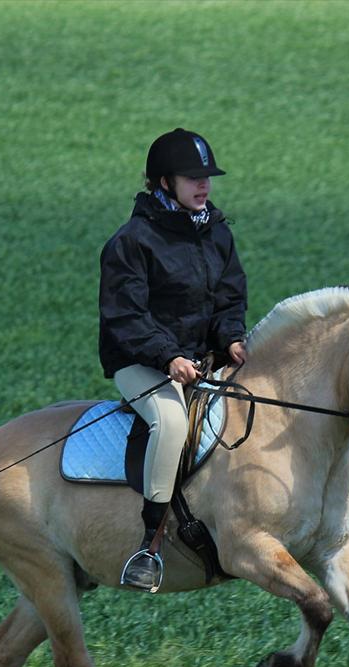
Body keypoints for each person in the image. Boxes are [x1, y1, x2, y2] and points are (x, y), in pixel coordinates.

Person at [98, 128, 248, 591]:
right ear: (164, 183)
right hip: (140, 363)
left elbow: (229, 299)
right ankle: (149, 545)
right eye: (192, 178)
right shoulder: (132, 241)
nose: (204, 185)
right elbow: (127, 316)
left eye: (207, 177)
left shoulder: (217, 233)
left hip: (200, 361)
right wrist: (169, 358)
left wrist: (233, 339)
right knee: (171, 421)